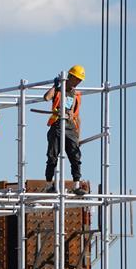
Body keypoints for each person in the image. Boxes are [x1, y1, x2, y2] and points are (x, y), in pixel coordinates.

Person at [43, 65, 85, 195]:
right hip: (57, 125)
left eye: (80, 80)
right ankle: (49, 185)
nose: (78, 82)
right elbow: (46, 97)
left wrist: (78, 136)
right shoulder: (59, 89)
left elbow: (77, 116)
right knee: (52, 157)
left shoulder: (76, 94)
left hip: (70, 126)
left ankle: (76, 185)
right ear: (70, 76)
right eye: (76, 79)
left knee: (75, 156)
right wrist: (55, 85)